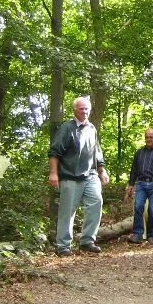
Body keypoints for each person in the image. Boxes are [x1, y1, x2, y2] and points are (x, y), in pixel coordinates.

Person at [48, 96, 109, 256]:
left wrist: (102, 171)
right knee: (67, 212)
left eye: (86, 108)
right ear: (74, 110)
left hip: (90, 175)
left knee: (96, 202)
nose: (84, 111)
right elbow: (55, 152)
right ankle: (63, 246)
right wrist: (53, 173)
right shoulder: (66, 128)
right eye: (81, 108)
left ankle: (87, 241)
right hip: (69, 177)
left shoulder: (92, 129)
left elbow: (97, 152)